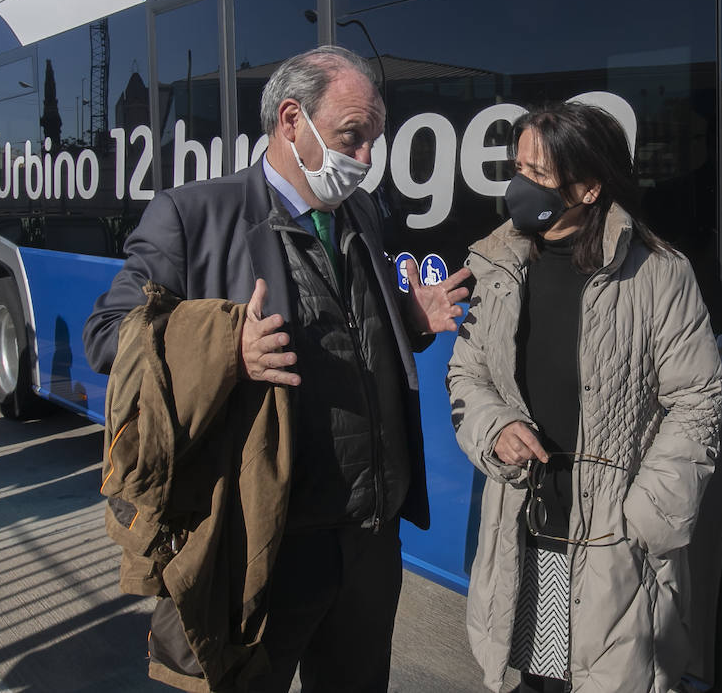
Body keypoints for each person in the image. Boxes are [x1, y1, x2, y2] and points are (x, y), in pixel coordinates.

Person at [83, 45, 470, 693]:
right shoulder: (195, 216)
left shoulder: (362, 213)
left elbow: (348, 333)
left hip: (369, 543)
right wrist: (225, 346)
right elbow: (107, 336)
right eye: (354, 136)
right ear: (292, 120)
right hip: (268, 541)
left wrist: (410, 320)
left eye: (374, 140)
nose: (367, 159)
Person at [447, 102, 722, 693]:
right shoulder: (499, 263)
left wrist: (644, 516)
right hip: (531, 524)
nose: (520, 186)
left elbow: (697, 398)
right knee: (542, 679)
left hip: (615, 539)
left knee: (613, 680)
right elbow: (467, 374)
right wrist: (494, 428)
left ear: (590, 187)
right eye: (518, 167)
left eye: (539, 175)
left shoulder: (659, 273)